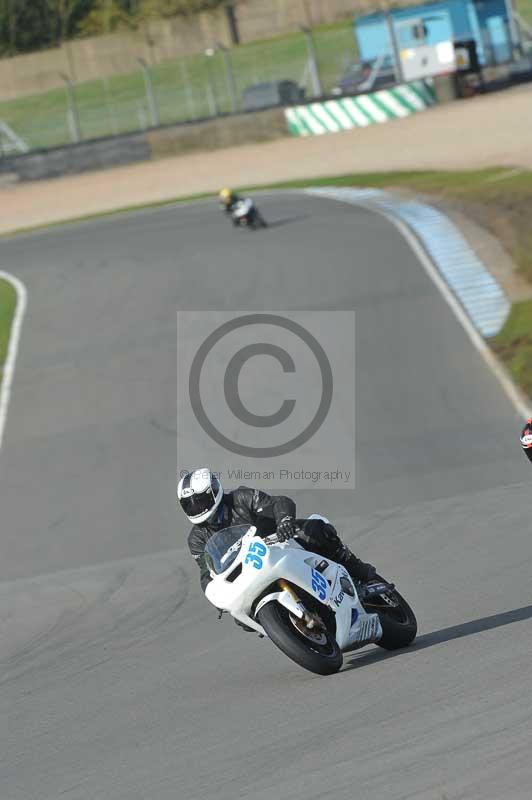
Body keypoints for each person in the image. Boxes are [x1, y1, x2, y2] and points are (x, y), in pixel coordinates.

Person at [179, 467, 378, 593]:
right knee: (241, 619)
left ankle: (356, 568)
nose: (196, 508)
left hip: (280, 543)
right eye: (189, 504)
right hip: (248, 571)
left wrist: (284, 521)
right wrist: (214, 592)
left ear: (213, 493)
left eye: (199, 501)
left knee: (313, 530)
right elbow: (207, 572)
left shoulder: (241, 498)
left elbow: (278, 502)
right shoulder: (196, 539)